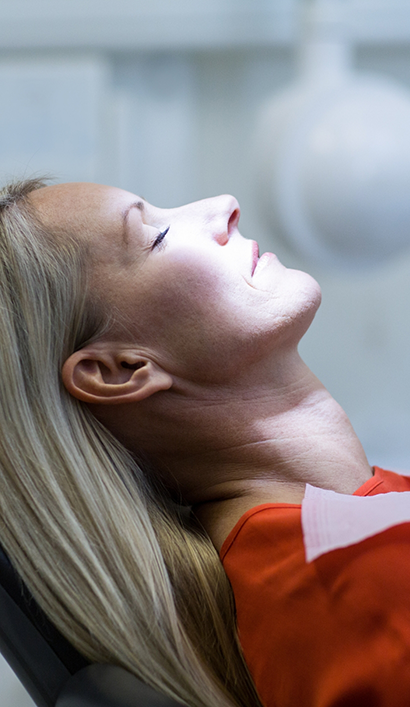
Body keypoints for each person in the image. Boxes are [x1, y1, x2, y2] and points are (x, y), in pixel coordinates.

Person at [0, 178, 410, 707]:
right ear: (120, 369)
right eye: (157, 235)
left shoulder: (345, 545)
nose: (225, 206)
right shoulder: (348, 579)